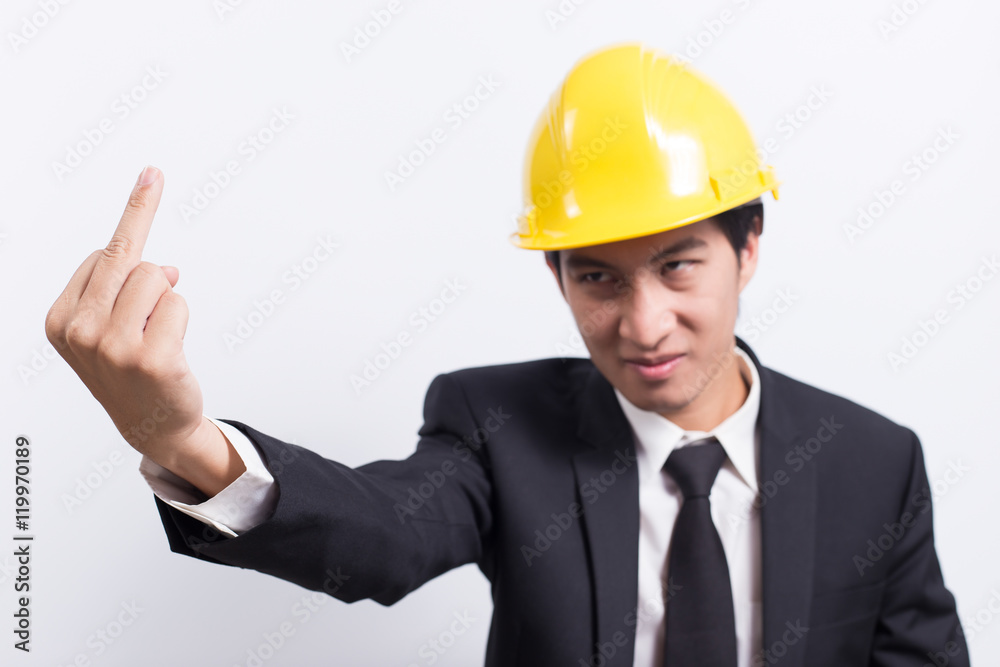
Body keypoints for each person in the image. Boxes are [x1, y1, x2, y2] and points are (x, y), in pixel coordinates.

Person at [44, 42, 969, 666]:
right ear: (558, 278)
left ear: (749, 247)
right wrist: (186, 437)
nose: (644, 325)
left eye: (679, 266)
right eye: (599, 280)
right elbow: (383, 535)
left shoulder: (873, 463)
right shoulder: (499, 427)